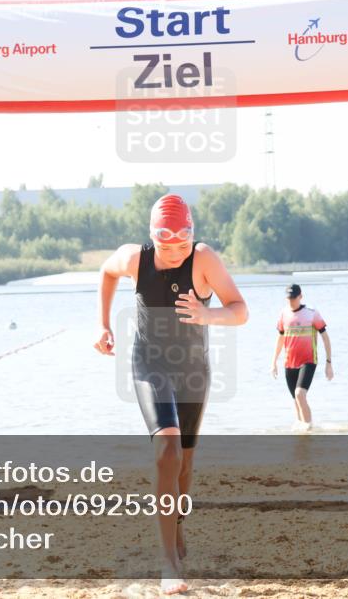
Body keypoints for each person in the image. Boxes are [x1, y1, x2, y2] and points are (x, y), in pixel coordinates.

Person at [94, 193, 248, 595]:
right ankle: (167, 563)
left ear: (192, 236)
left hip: (193, 370)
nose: (178, 251)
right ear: (153, 237)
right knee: (167, 450)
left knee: (185, 464)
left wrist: (207, 313)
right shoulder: (134, 259)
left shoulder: (204, 259)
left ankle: (178, 527)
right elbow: (106, 273)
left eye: (184, 243)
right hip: (150, 365)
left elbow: (240, 309)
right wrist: (103, 325)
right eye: (168, 245)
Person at [270, 283, 333, 430]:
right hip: (289, 362)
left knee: (299, 394)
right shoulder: (283, 314)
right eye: (288, 298)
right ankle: (302, 435)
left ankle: (309, 427)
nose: (291, 301)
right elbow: (280, 339)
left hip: (308, 361)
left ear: (300, 297)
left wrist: (328, 363)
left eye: (293, 298)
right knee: (295, 399)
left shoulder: (312, 313)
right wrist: (273, 362)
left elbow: (325, 337)